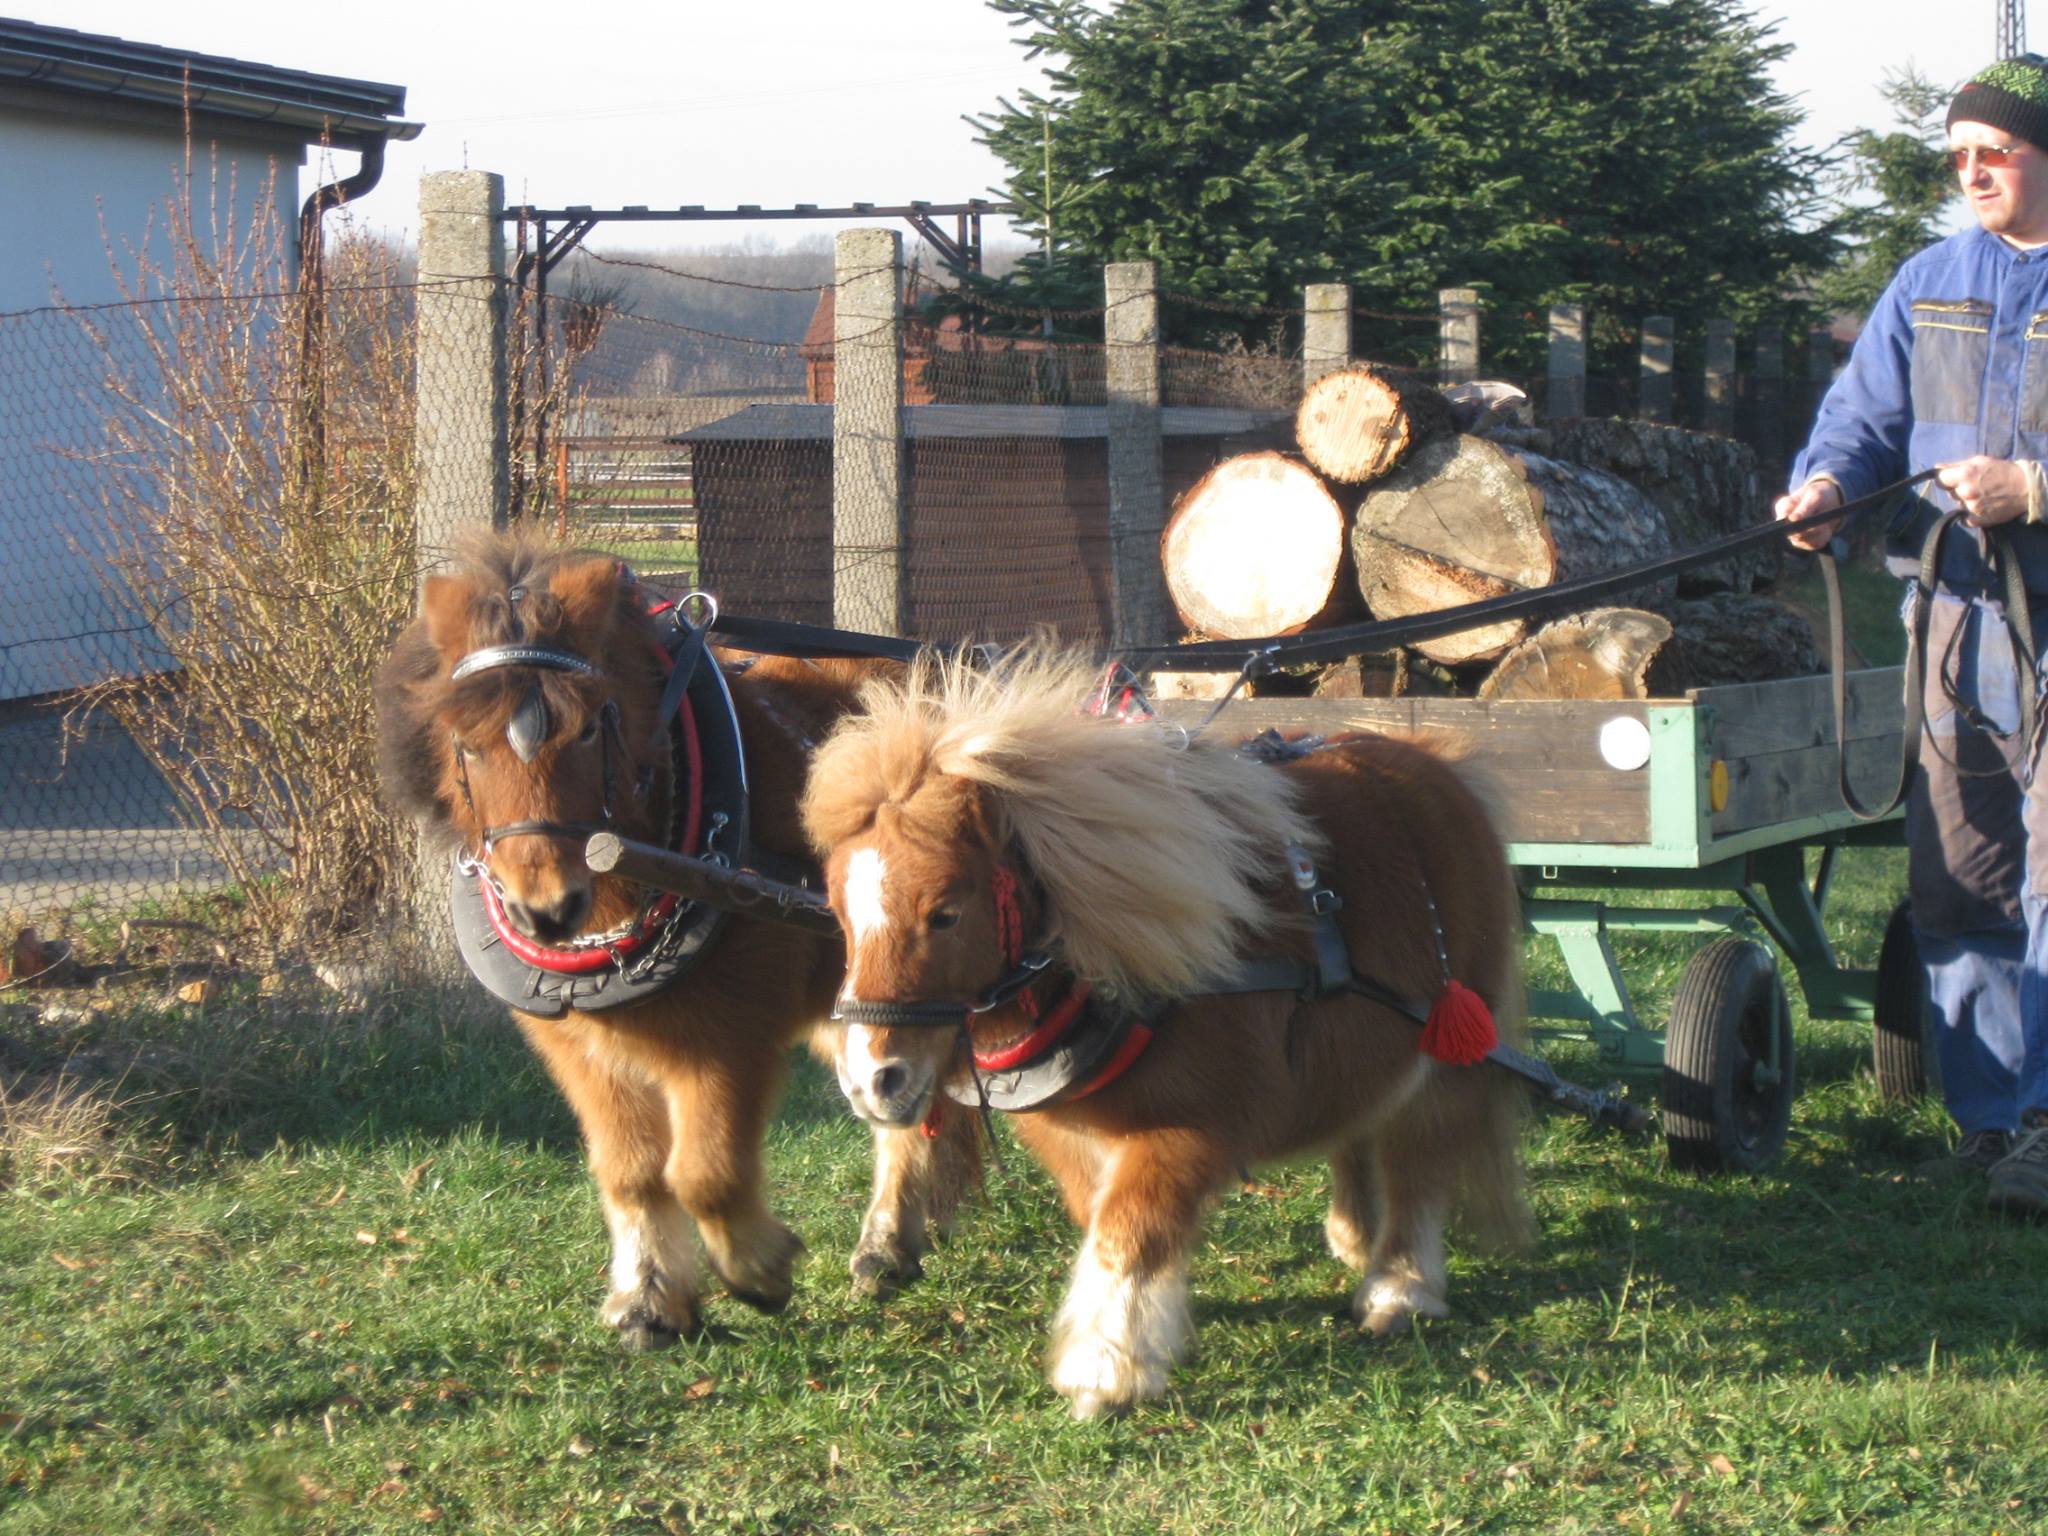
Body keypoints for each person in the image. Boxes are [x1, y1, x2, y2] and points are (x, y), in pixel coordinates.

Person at [1776, 56, 2048, 1217]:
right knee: (1959, 871)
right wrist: (1826, 485)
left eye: (1995, 150)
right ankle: (1990, 1120)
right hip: (1947, 615)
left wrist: (2031, 490)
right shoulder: (1928, 278)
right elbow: (1864, 418)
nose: (1971, 171)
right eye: (1957, 155)